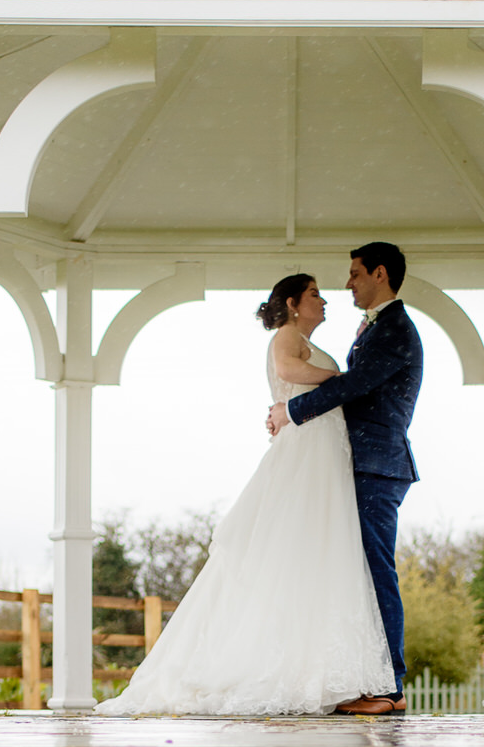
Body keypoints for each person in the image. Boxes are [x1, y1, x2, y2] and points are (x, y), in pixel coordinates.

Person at [98, 272, 395, 716]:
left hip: (324, 455)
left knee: (319, 556)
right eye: (315, 294)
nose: (325, 300)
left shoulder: (298, 334)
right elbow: (288, 370)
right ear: (292, 303)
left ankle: (322, 672)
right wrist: (338, 376)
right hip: (307, 456)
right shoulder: (287, 335)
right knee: (294, 551)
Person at [267, 241, 423, 715]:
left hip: (376, 465)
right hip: (358, 463)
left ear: (379, 273)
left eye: (355, 273)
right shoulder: (375, 328)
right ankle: (368, 679)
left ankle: (390, 688)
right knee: (357, 573)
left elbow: (357, 384)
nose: (348, 283)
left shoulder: (395, 328)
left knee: (376, 573)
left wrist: (292, 411)